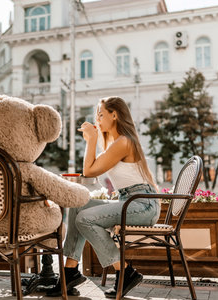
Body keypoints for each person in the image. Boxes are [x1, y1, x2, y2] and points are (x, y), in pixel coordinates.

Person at [47, 96, 160, 298]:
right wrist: (93, 140)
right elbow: (89, 171)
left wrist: (91, 140)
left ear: (114, 115)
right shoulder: (115, 145)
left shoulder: (124, 142)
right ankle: (69, 271)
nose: (97, 119)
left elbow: (88, 171)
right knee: (78, 203)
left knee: (85, 219)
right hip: (129, 201)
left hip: (143, 204)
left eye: (100, 114)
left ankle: (125, 271)